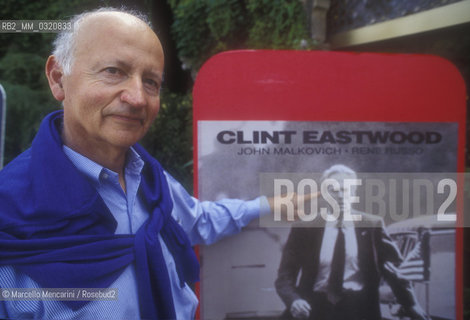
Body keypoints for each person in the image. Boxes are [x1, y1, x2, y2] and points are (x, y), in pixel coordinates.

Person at [0, 8, 276, 320]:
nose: (137, 98)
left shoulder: (151, 180)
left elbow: (197, 221)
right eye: (113, 71)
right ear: (58, 77)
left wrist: (269, 205)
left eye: (151, 81)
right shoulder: (9, 217)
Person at [275, 165, 428, 320]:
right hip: (314, 309)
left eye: (346, 190)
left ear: (354, 193)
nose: (340, 195)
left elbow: (394, 269)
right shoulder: (305, 228)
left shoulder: (371, 225)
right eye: (334, 190)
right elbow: (285, 276)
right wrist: (294, 301)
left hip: (359, 308)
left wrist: (411, 305)